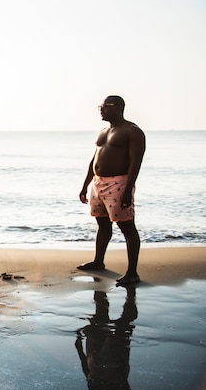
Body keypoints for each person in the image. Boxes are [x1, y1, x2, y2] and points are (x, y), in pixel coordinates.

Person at [77, 96, 146, 286]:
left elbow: (135, 162)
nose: (101, 110)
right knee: (102, 224)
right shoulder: (104, 131)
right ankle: (99, 261)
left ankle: (132, 273)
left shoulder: (132, 131)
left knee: (127, 227)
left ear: (118, 108)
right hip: (98, 183)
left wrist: (127, 189)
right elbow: (94, 160)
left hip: (118, 183)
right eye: (101, 106)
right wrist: (85, 185)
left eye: (105, 106)